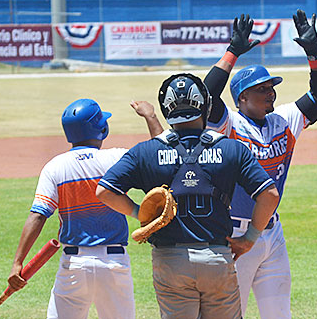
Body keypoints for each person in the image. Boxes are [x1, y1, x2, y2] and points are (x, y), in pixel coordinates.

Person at [95, 73, 280, 319]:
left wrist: (140, 213)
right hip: (216, 256)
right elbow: (269, 194)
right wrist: (250, 238)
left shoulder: (145, 151)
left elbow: (104, 191)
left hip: (170, 260)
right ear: (205, 105)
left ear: (166, 109)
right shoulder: (231, 148)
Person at [202, 12, 317, 318]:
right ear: (242, 97)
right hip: (233, 237)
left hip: (272, 235)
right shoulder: (227, 124)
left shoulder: (284, 120)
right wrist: (232, 51)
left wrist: (314, 54)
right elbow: (207, 95)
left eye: (271, 87)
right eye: (261, 88)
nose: (270, 92)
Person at [7, 98, 164, 319]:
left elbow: (38, 216)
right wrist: (150, 116)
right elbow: (163, 154)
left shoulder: (55, 167)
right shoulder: (116, 158)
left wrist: (18, 263)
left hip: (73, 266)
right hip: (114, 264)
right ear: (102, 128)